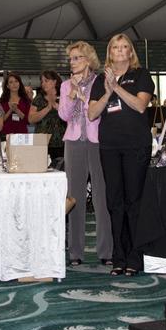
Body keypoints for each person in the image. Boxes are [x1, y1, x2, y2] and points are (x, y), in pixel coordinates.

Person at [88, 33, 154, 276]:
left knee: (133, 202)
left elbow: (140, 105)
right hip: (109, 147)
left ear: (130, 52)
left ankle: (135, 258)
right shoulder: (99, 80)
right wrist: (107, 91)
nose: (120, 50)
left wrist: (117, 87)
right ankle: (119, 256)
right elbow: (92, 114)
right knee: (114, 202)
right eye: (115, 47)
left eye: (125, 47)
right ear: (110, 52)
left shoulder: (141, 75)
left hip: (136, 145)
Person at [58, 42, 112, 267]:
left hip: (97, 142)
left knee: (101, 198)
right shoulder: (64, 85)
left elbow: (98, 112)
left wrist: (83, 96)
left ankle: (107, 251)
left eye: (78, 57)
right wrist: (72, 95)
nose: (73, 62)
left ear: (88, 60)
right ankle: (75, 253)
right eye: (71, 59)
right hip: (73, 142)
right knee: (74, 197)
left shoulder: (100, 82)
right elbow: (63, 115)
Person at [29, 69, 65, 166]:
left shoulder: (64, 96)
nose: (43, 84)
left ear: (54, 81)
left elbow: (69, 116)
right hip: (42, 142)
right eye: (42, 81)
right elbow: (31, 119)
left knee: (60, 169)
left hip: (61, 142)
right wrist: (48, 108)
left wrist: (56, 106)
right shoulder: (39, 98)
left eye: (46, 81)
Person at [0, 71, 31, 139]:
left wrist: (17, 110)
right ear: (7, 86)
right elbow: (0, 121)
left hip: (22, 136)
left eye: (16, 81)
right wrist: (10, 110)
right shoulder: (2, 102)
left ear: (19, 83)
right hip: (6, 136)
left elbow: (28, 121)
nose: (14, 84)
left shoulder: (26, 101)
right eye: (11, 82)